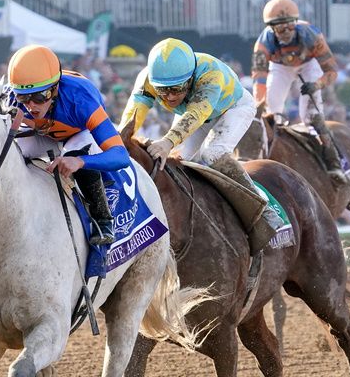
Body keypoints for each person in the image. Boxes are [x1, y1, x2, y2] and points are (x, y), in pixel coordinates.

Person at [119, 38, 282, 254]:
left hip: (232, 108)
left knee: (212, 154)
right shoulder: (147, 78)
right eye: (162, 91)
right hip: (196, 115)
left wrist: (167, 141)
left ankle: (262, 209)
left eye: (176, 89)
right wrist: (118, 140)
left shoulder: (209, 75)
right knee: (182, 162)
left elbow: (196, 114)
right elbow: (133, 115)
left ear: (191, 78)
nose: (169, 97)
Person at [7, 44, 123, 245]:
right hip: (43, 133)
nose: (31, 105)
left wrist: (80, 162)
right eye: (23, 97)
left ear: (56, 88)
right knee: (10, 153)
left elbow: (121, 156)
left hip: (79, 135)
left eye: (39, 97)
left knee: (76, 151)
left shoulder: (81, 100)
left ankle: (103, 221)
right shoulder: (10, 97)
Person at [251, 0, 348, 184]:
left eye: (289, 25)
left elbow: (332, 71)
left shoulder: (313, 35)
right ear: (271, 28)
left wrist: (317, 84)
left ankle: (333, 160)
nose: (286, 31)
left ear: (296, 22)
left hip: (309, 65)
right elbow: (259, 79)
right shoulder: (263, 44)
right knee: (270, 110)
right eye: (280, 27)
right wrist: (259, 104)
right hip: (279, 67)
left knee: (312, 116)